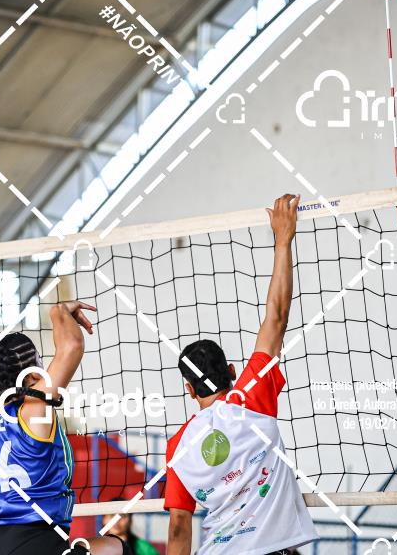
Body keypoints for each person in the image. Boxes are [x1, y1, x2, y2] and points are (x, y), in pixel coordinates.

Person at [164, 194, 319, 555]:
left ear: (190, 390)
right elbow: (276, 317)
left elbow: (178, 527)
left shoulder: (178, 446)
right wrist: (283, 239)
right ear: (231, 371)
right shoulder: (250, 395)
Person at [0, 301, 128, 555]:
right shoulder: (35, 408)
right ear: (30, 375)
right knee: (117, 547)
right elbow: (72, 345)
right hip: (35, 543)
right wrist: (58, 311)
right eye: (38, 360)